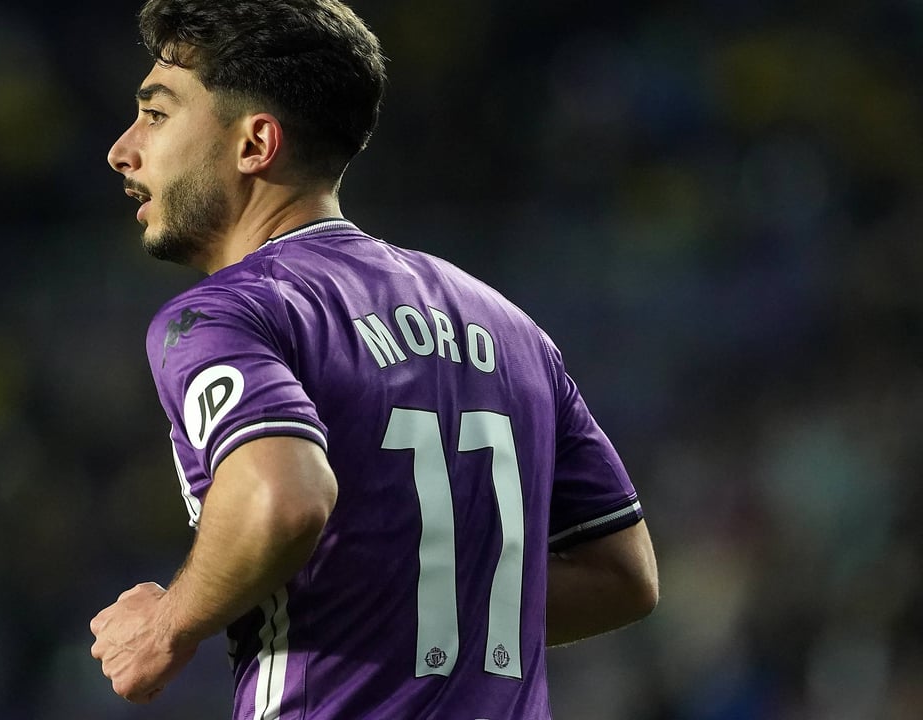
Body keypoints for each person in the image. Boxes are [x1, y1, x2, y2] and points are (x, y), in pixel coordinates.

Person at [89, 0, 659, 717]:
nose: (123, 149)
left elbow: (284, 499)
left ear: (255, 143)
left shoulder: (225, 314)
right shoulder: (511, 330)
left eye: (157, 114)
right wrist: (420, 603)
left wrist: (168, 625)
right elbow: (622, 576)